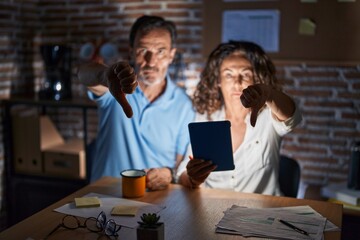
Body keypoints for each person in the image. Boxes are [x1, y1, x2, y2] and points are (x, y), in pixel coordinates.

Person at [78, 15, 195, 191]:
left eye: (161, 51)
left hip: (154, 203)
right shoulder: (114, 87)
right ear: (131, 51)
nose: (151, 61)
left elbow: (178, 167)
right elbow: (84, 74)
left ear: (171, 55)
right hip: (103, 197)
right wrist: (104, 76)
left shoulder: (184, 105)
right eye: (142, 50)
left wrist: (169, 174)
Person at [176, 41, 302, 195]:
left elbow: (292, 117)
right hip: (213, 210)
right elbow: (182, 175)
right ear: (218, 82)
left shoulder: (268, 117)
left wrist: (269, 93)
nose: (237, 83)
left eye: (246, 74)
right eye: (229, 75)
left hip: (261, 212)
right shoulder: (204, 118)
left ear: (256, 79)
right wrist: (194, 178)